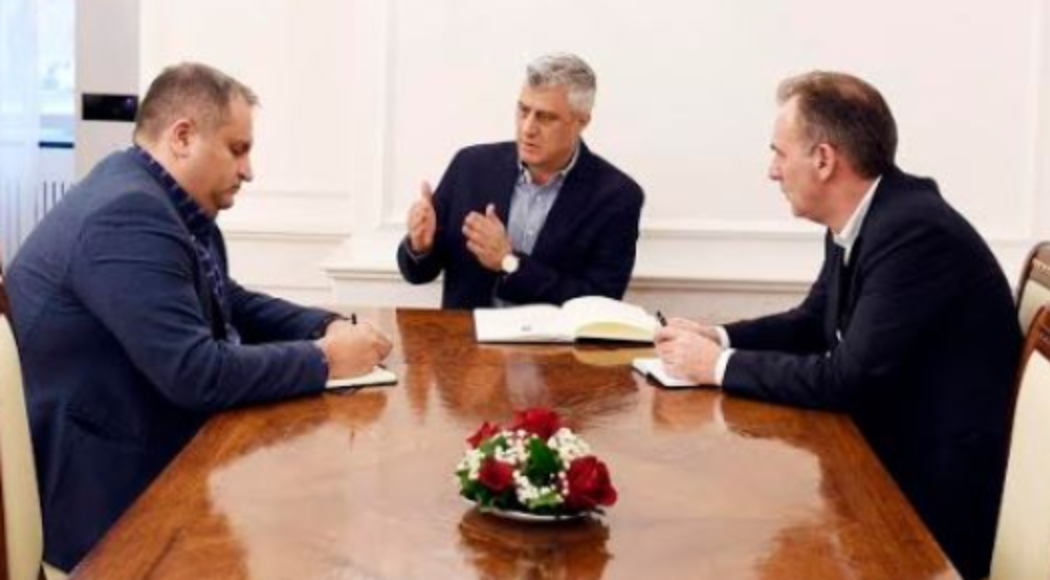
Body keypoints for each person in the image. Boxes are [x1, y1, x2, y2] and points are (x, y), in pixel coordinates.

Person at [5, 62, 392, 571]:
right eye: (238, 149)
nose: (249, 171)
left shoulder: (158, 197)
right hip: (104, 505)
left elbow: (227, 299)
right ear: (183, 137)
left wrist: (324, 326)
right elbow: (195, 373)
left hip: (147, 455)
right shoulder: (127, 215)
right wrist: (325, 360)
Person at [655, 71, 1020, 580]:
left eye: (779, 153)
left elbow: (848, 379)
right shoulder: (870, 217)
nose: (772, 171)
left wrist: (716, 366)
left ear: (824, 160)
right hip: (883, 455)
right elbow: (811, 323)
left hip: (929, 501)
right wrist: (717, 338)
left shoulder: (913, 231)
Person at [396, 53, 644, 309]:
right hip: (466, 334)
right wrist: (420, 245)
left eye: (546, 117)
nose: (528, 128)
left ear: (581, 122)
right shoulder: (470, 166)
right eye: (523, 111)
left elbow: (600, 303)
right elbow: (418, 273)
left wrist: (509, 262)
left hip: (553, 336)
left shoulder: (617, 197)